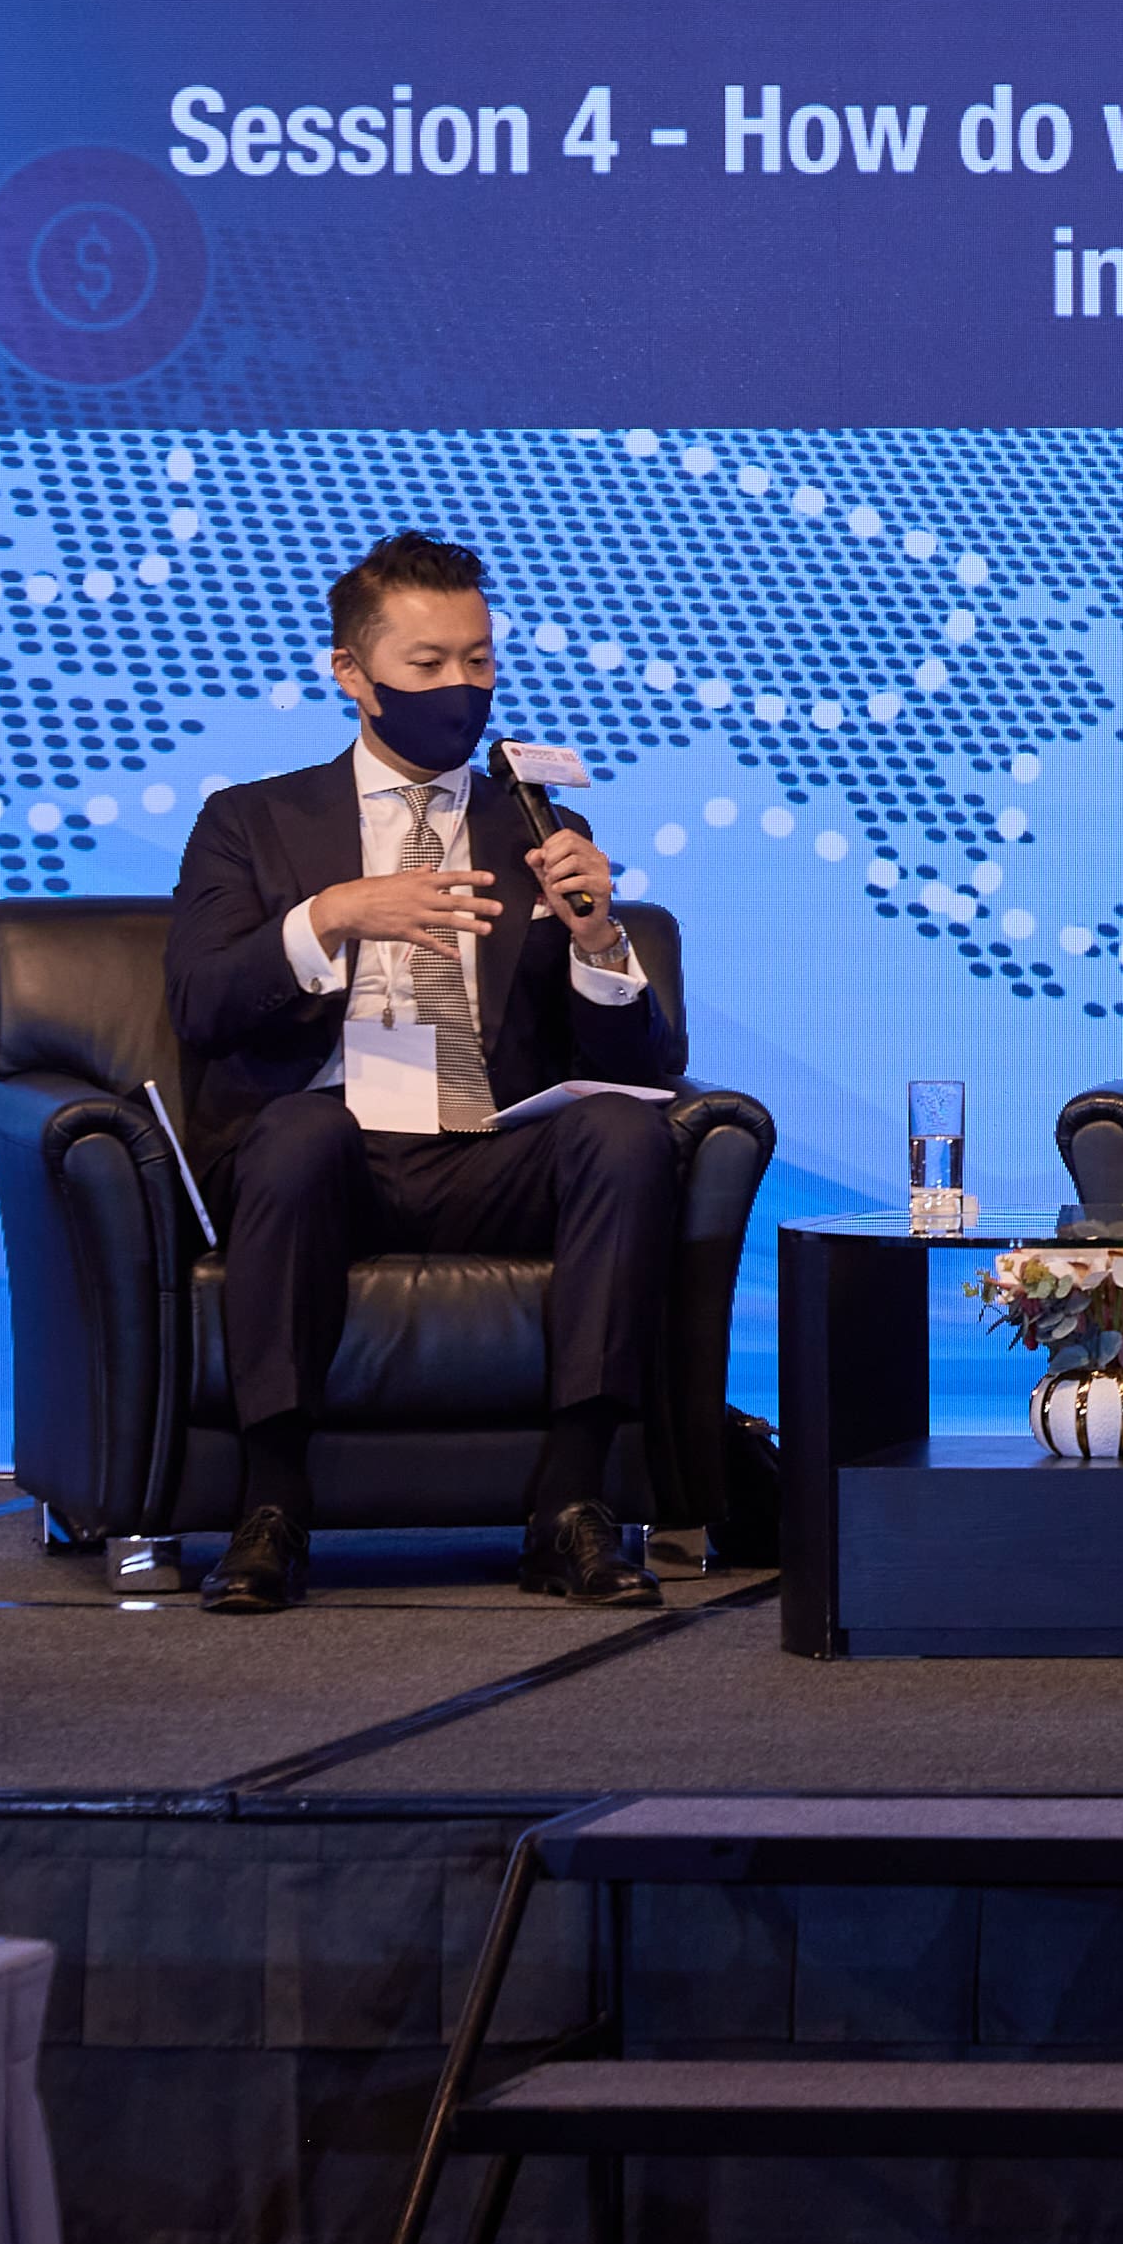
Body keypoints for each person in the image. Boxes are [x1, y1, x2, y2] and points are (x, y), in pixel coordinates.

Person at [164, 533, 685, 1616]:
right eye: (429, 664)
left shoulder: (538, 827)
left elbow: (645, 1069)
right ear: (353, 675)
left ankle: (571, 1505)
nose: (462, 687)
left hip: (483, 1149)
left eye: (479, 660)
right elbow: (202, 1005)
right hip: (326, 1156)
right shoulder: (251, 821)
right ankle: (271, 1507)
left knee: (628, 1132)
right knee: (300, 1133)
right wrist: (332, 915)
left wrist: (599, 940)